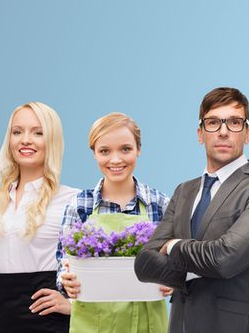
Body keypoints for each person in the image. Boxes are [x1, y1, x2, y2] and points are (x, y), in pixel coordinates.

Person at [134, 87, 249, 333]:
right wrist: (190, 273)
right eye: (213, 123)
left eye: (234, 122)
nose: (223, 131)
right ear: (200, 134)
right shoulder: (184, 191)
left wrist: (174, 247)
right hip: (181, 324)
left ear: (247, 133)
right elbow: (144, 262)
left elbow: (225, 259)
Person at [0, 101, 80, 332]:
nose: (25, 140)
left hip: (50, 320)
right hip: (1, 318)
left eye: (38, 132)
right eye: (17, 132)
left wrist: (74, 305)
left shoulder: (73, 200)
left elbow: (95, 261)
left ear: (52, 140)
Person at [58, 113, 171, 332]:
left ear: (139, 149)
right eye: (105, 151)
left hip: (147, 323)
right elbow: (62, 263)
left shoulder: (159, 203)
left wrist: (172, 280)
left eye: (125, 149)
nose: (116, 159)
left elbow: (177, 261)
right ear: (94, 154)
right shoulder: (80, 205)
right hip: (92, 323)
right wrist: (65, 281)